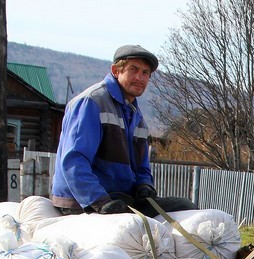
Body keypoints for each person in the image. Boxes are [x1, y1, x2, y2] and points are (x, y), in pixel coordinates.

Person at [51, 45, 196, 217]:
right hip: (83, 201)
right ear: (115, 71)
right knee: (126, 229)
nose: (139, 77)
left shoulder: (137, 117)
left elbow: (142, 167)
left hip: (120, 199)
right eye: (133, 70)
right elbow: (74, 161)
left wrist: (144, 185)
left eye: (145, 73)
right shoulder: (92, 102)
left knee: (185, 206)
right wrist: (99, 201)